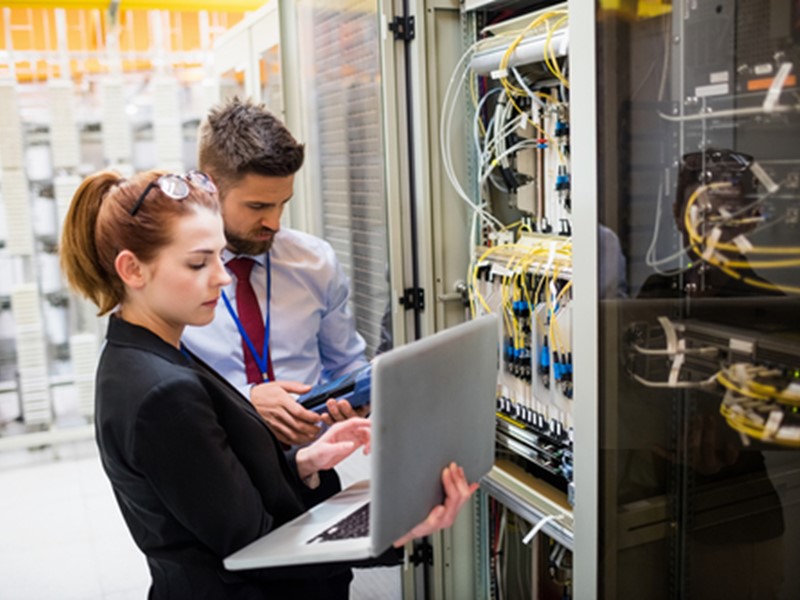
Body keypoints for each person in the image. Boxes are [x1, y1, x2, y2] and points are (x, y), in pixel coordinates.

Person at [59, 169, 478, 599]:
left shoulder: (149, 353)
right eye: (198, 262)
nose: (222, 277)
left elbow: (214, 493)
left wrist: (303, 464)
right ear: (132, 269)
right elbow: (258, 551)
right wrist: (395, 528)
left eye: (219, 257)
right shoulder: (161, 392)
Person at [182, 97, 367, 446]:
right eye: (258, 206)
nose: (275, 223)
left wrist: (355, 401)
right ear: (209, 187)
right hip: (222, 466)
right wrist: (243, 400)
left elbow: (346, 364)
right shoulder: (172, 278)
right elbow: (153, 391)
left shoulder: (315, 263)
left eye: (283, 203)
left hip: (317, 461)